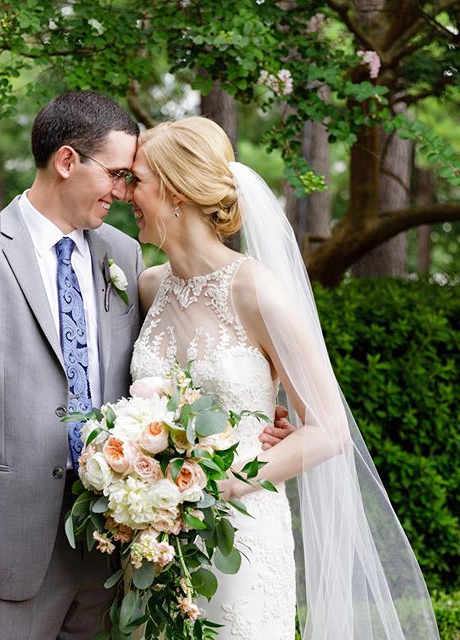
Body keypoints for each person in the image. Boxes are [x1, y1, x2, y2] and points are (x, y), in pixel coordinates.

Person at [0, 92, 293, 640]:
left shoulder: (125, 255)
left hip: (121, 550)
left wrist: (253, 423)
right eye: (117, 174)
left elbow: (171, 373)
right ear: (67, 162)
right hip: (11, 552)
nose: (123, 191)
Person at [129, 116, 440, 639]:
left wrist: (220, 480)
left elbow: (329, 429)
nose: (125, 193)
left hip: (242, 537)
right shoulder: (147, 288)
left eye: (136, 180)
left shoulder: (259, 292)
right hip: (156, 544)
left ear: (176, 189)